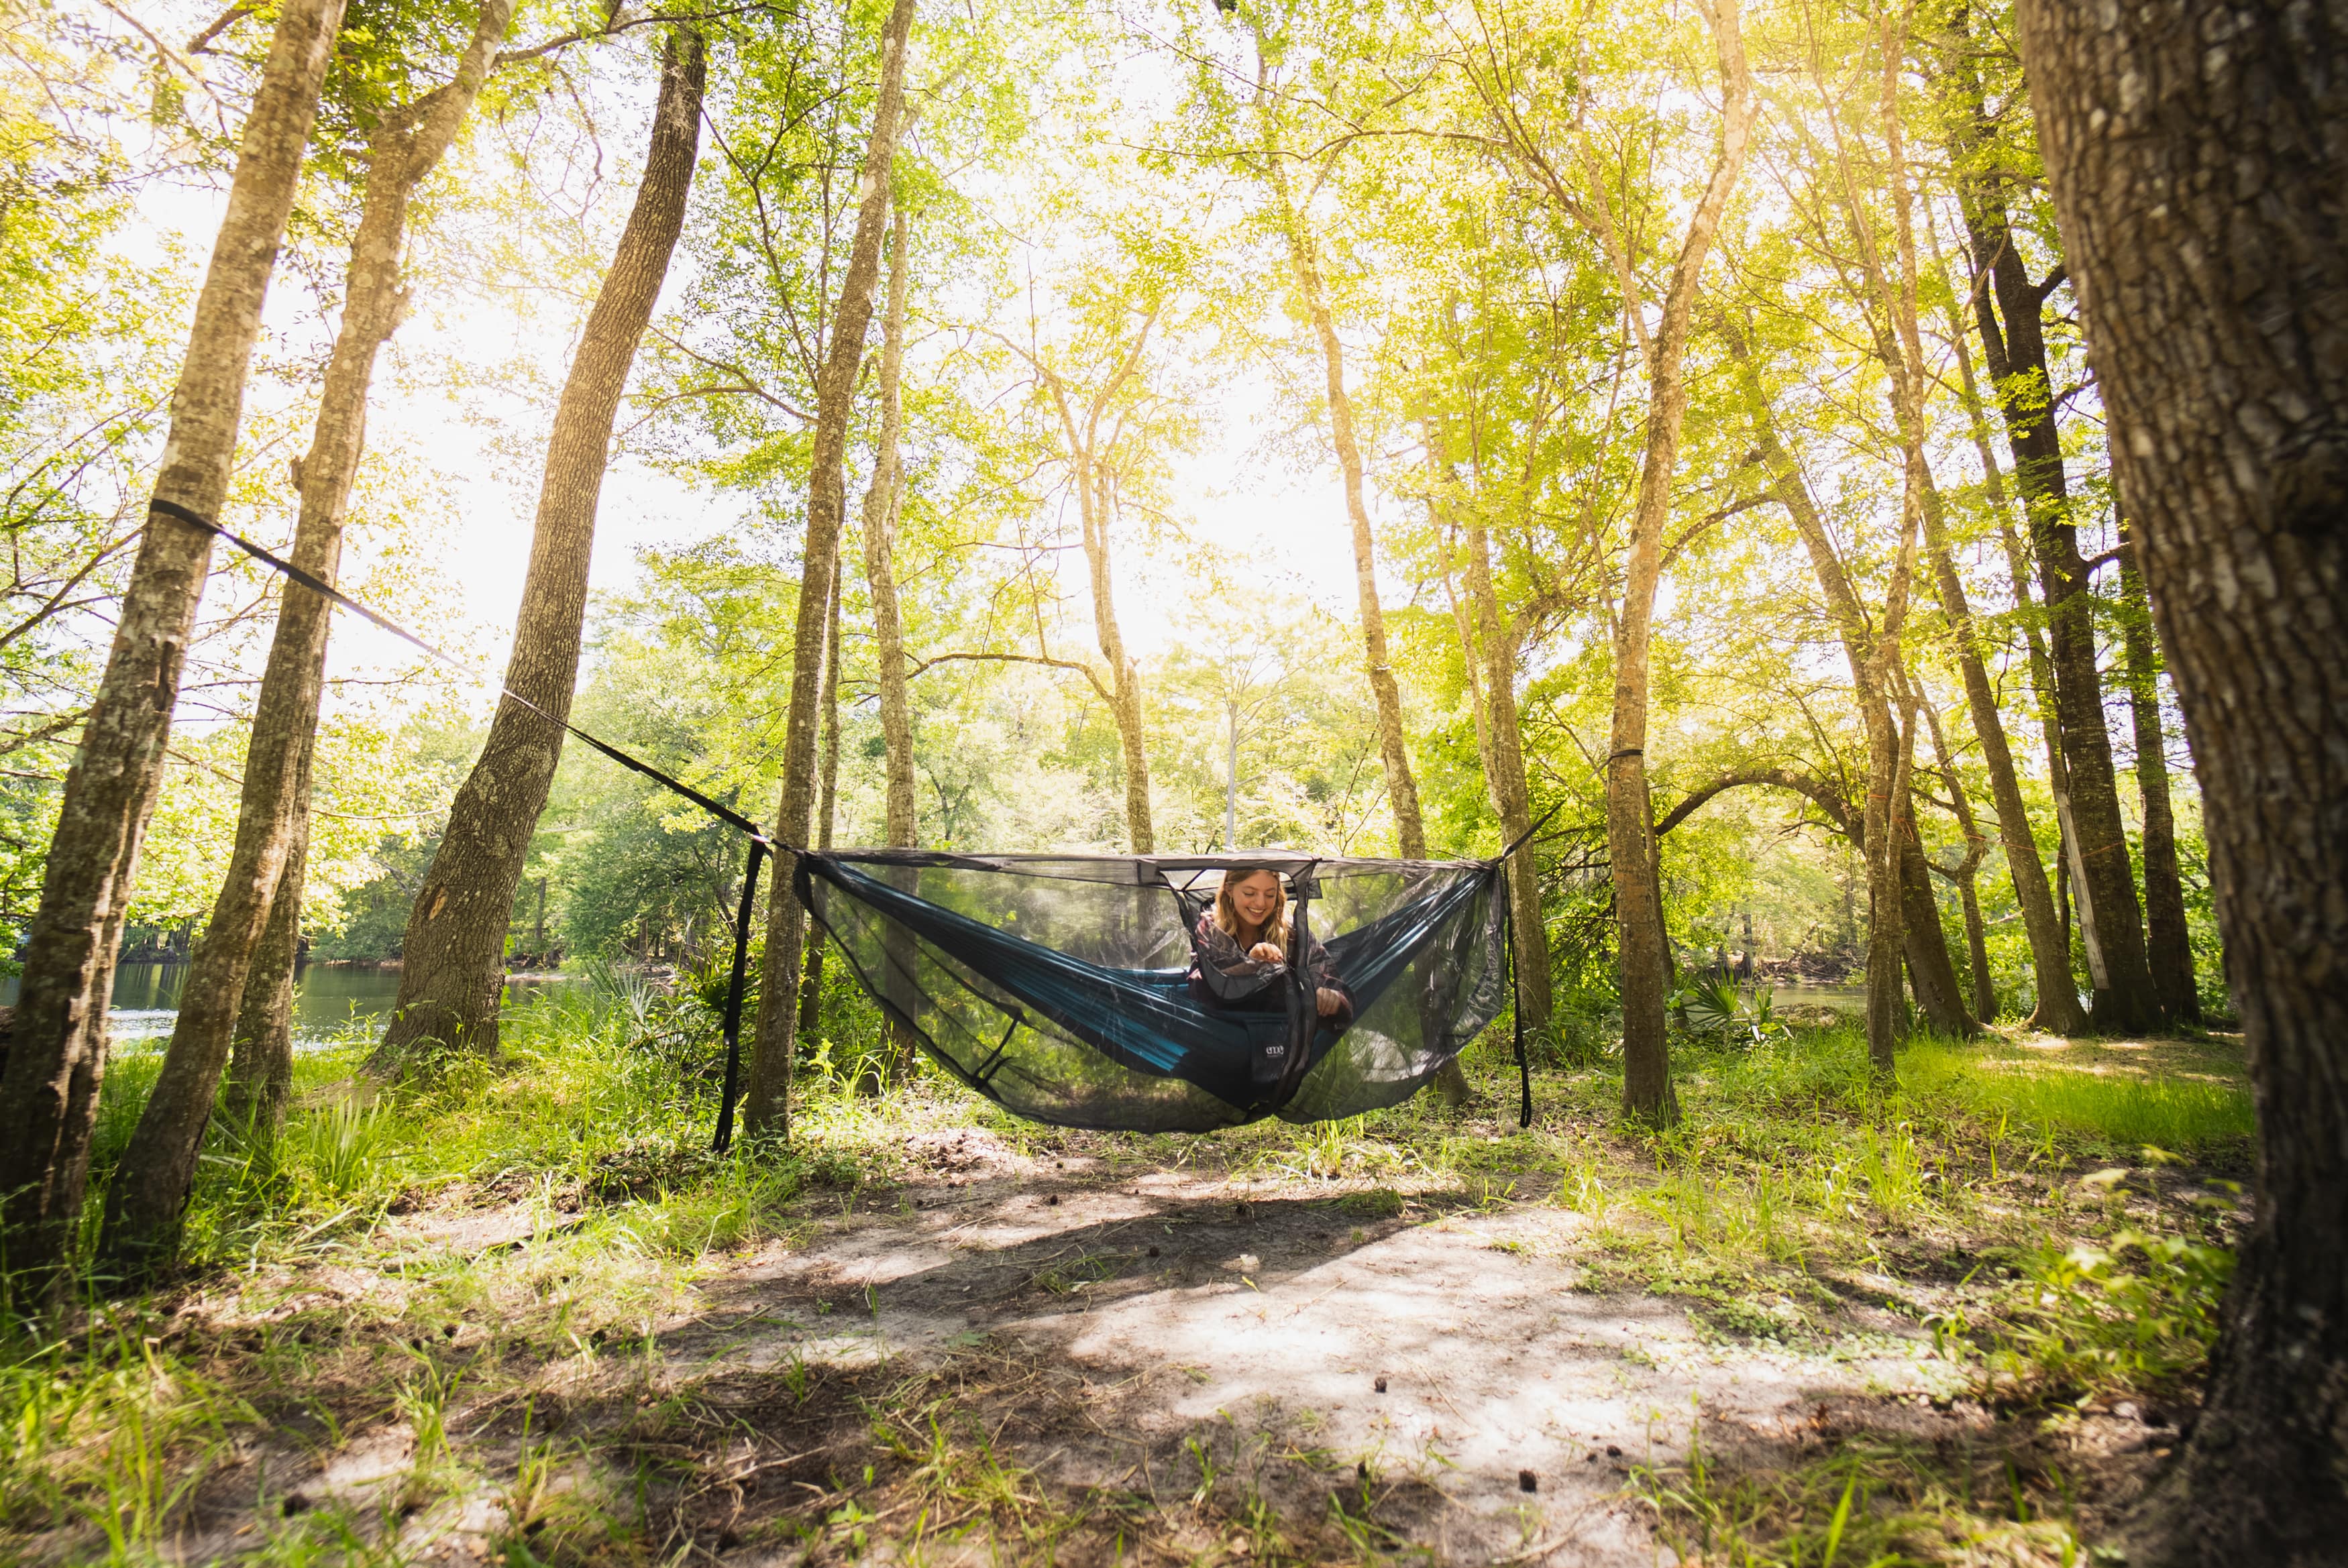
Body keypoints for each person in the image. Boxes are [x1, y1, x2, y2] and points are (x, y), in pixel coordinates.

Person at [1189, 866, 1350, 1023]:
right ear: (1229, 889)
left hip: (1281, 1040)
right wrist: (1249, 966)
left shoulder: (1292, 934)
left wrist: (1333, 999)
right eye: (1249, 893)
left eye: (1270, 895)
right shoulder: (1209, 929)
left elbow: (1340, 993)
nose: (1260, 903)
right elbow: (1199, 991)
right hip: (1222, 1038)